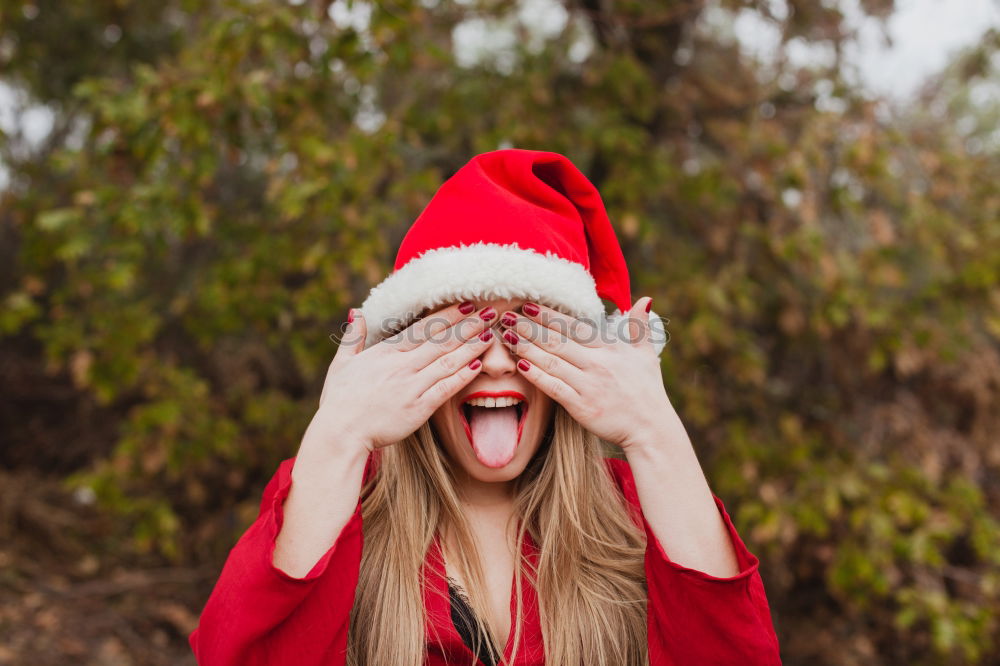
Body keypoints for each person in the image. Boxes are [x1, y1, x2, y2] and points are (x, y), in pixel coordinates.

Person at [188, 149, 782, 665]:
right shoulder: (338, 508)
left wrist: (654, 432)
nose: (497, 363)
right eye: (465, 329)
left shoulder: (640, 510)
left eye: (524, 328)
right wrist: (337, 436)